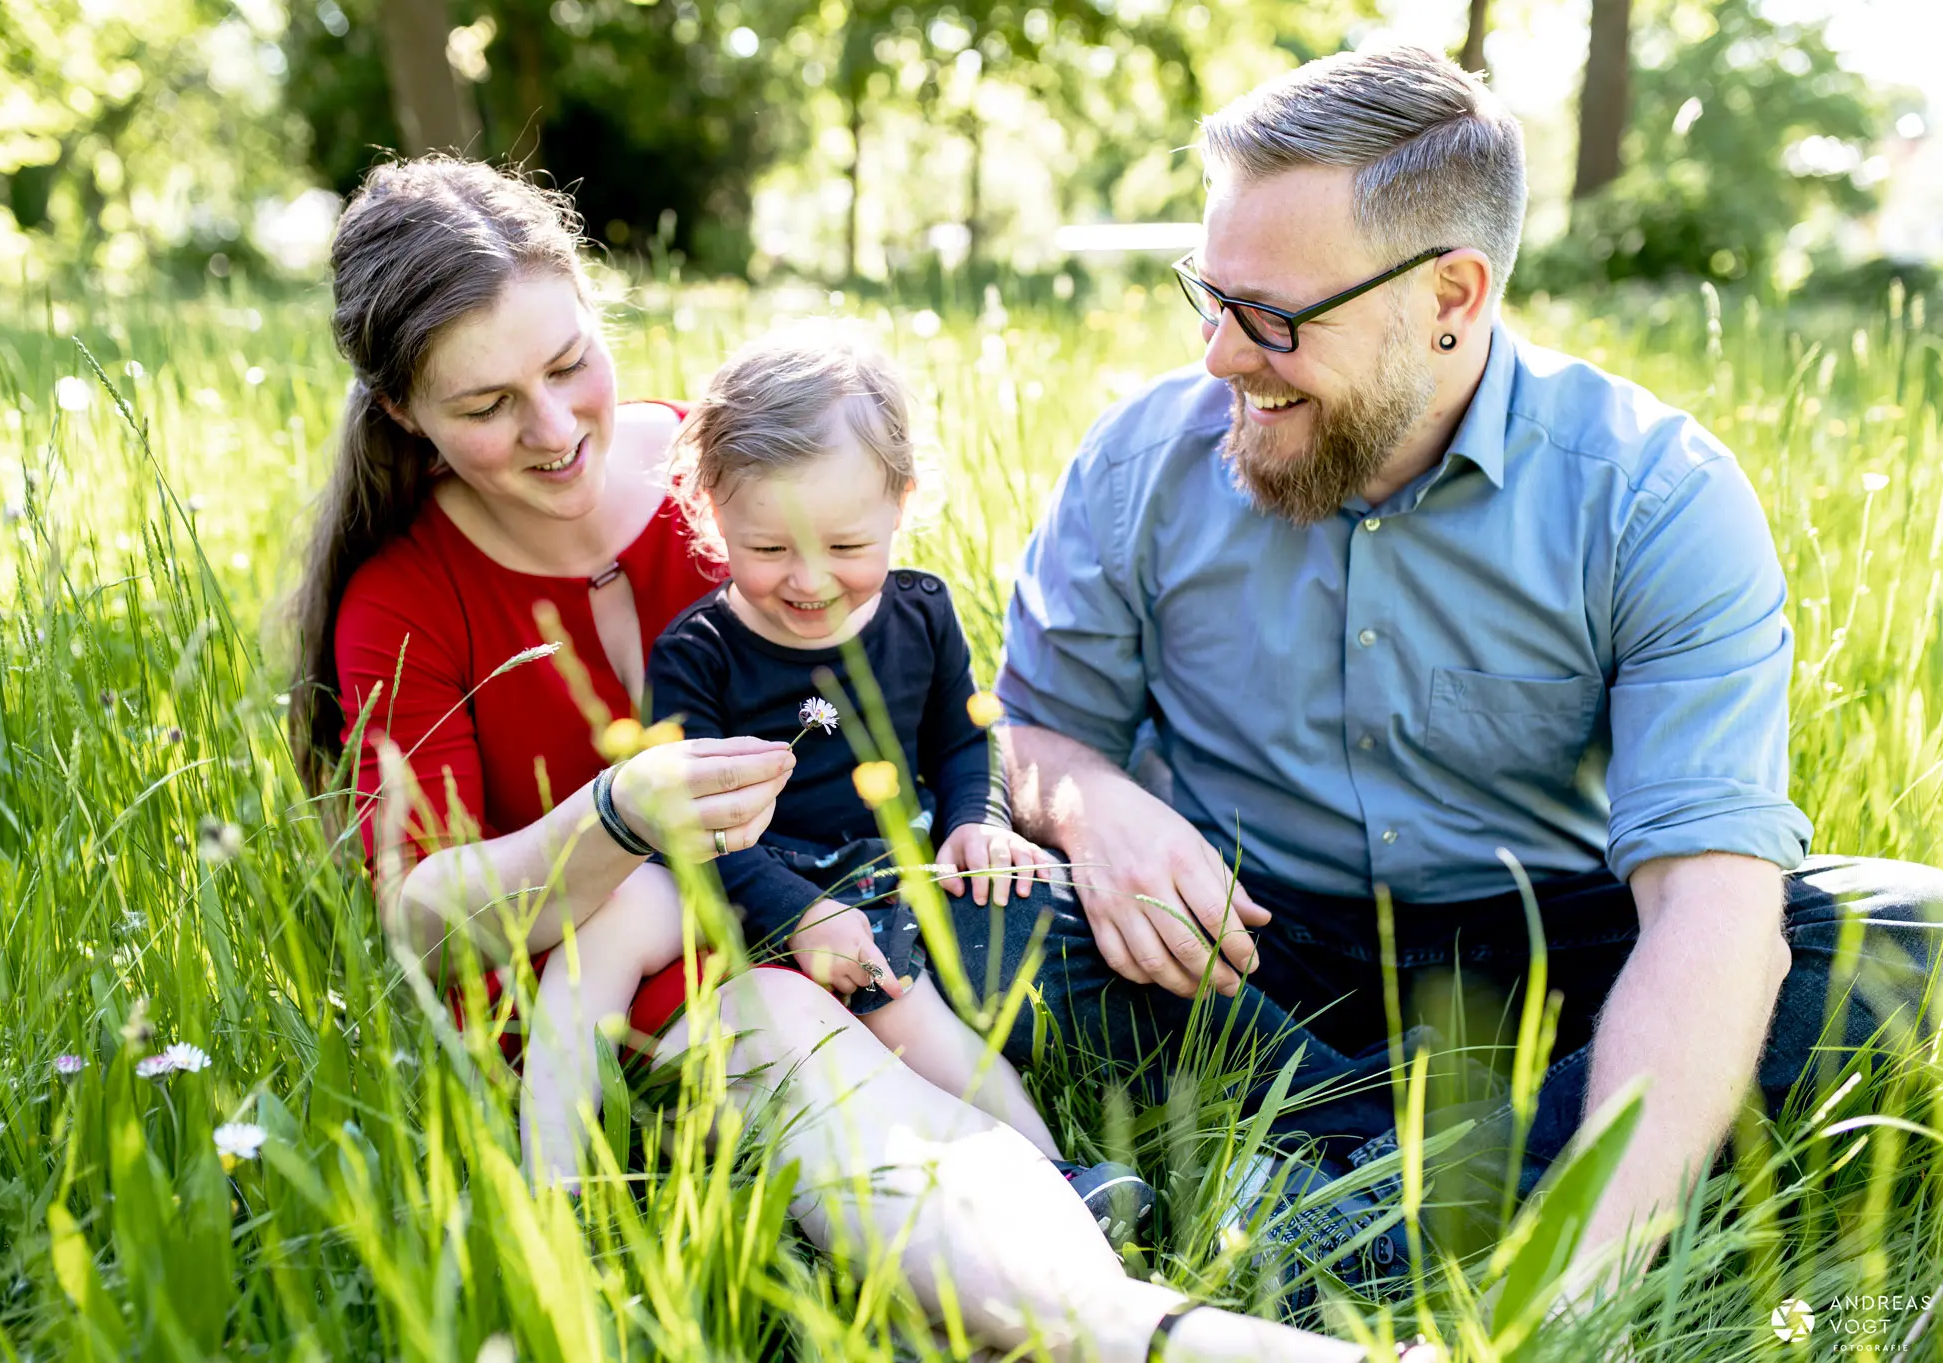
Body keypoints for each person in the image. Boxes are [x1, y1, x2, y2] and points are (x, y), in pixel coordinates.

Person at [288, 155, 1375, 1362]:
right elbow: (423, 920)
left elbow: (925, 707)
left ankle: (1335, 1162)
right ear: (403, 415)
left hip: (873, 920)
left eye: (567, 365)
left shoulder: (740, 482)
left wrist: (1067, 808)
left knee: (1164, 1004)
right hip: (660, 993)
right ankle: (1191, 1341)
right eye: (486, 407)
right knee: (864, 1116)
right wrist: (612, 817)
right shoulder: (409, 600)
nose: (553, 432)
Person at [977, 44, 1943, 1304]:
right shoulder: (1137, 465)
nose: (1219, 356)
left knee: (1893, 939)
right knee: (931, 901)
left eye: (1270, 316)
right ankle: (1425, 1191)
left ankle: (1341, 1207)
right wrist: (1093, 807)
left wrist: (1575, 1284)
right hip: (1234, 956)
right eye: (1204, 297)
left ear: (1451, 291)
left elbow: (1706, 906)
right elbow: (1029, 736)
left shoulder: (1653, 497)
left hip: (1561, 962)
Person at [647, 326, 1151, 1239]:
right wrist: (799, 913)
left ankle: (1099, 1151)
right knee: (910, 1028)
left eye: (844, 545)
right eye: (768, 549)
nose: (809, 582)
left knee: (1028, 941)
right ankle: (1051, 1181)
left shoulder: (919, 612)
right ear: (711, 511)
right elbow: (690, 829)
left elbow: (964, 737)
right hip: (771, 891)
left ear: (902, 503)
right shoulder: (698, 656)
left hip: (899, 865)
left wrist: (978, 819)